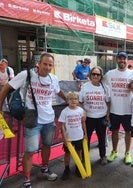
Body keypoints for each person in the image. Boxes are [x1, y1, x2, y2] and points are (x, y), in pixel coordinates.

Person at [0, 52, 66, 188]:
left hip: (49, 119)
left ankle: (44, 169)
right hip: (32, 120)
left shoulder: (53, 78)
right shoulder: (27, 75)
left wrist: (69, 100)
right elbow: (6, 88)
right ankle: (27, 179)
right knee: (30, 151)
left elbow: (58, 92)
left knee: (47, 145)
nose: (47, 67)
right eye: (45, 64)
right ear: (39, 64)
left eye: (50, 65)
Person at [102, 51, 133, 165]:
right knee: (114, 132)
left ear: (127, 60)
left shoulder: (132, 74)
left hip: (128, 110)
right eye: (120, 58)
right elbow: (100, 81)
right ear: (116, 60)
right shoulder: (110, 74)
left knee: (128, 132)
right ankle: (114, 151)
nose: (122, 60)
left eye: (124, 59)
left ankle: (127, 153)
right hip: (114, 110)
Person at [79, 66, 111, 165]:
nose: (95, 76)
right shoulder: (85, 86)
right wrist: (83, 112)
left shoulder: (105, 87)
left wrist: (108, 115)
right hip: (88, 118)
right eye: (93, 74)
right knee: (86, 139)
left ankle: (103, 156)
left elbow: (108, 102)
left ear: (101, 76)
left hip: (101, 117)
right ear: (90, 75)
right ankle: (85, 158)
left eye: (98, 74)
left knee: (101, 138)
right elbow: (80, 102)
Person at [58, 91, 87, 180]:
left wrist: (85, 134)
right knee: (67, 153)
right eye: (71, 99)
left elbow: (83, 123)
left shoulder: (81, 110)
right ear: (67, 101)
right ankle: (67, 169)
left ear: (78, 101)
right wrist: (64, 138)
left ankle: (78, 167)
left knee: (79, 152)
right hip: (69, 138)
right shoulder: (64, 112)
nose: (73, 101)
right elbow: (62, 126)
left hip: (79, 136)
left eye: (75, 99)